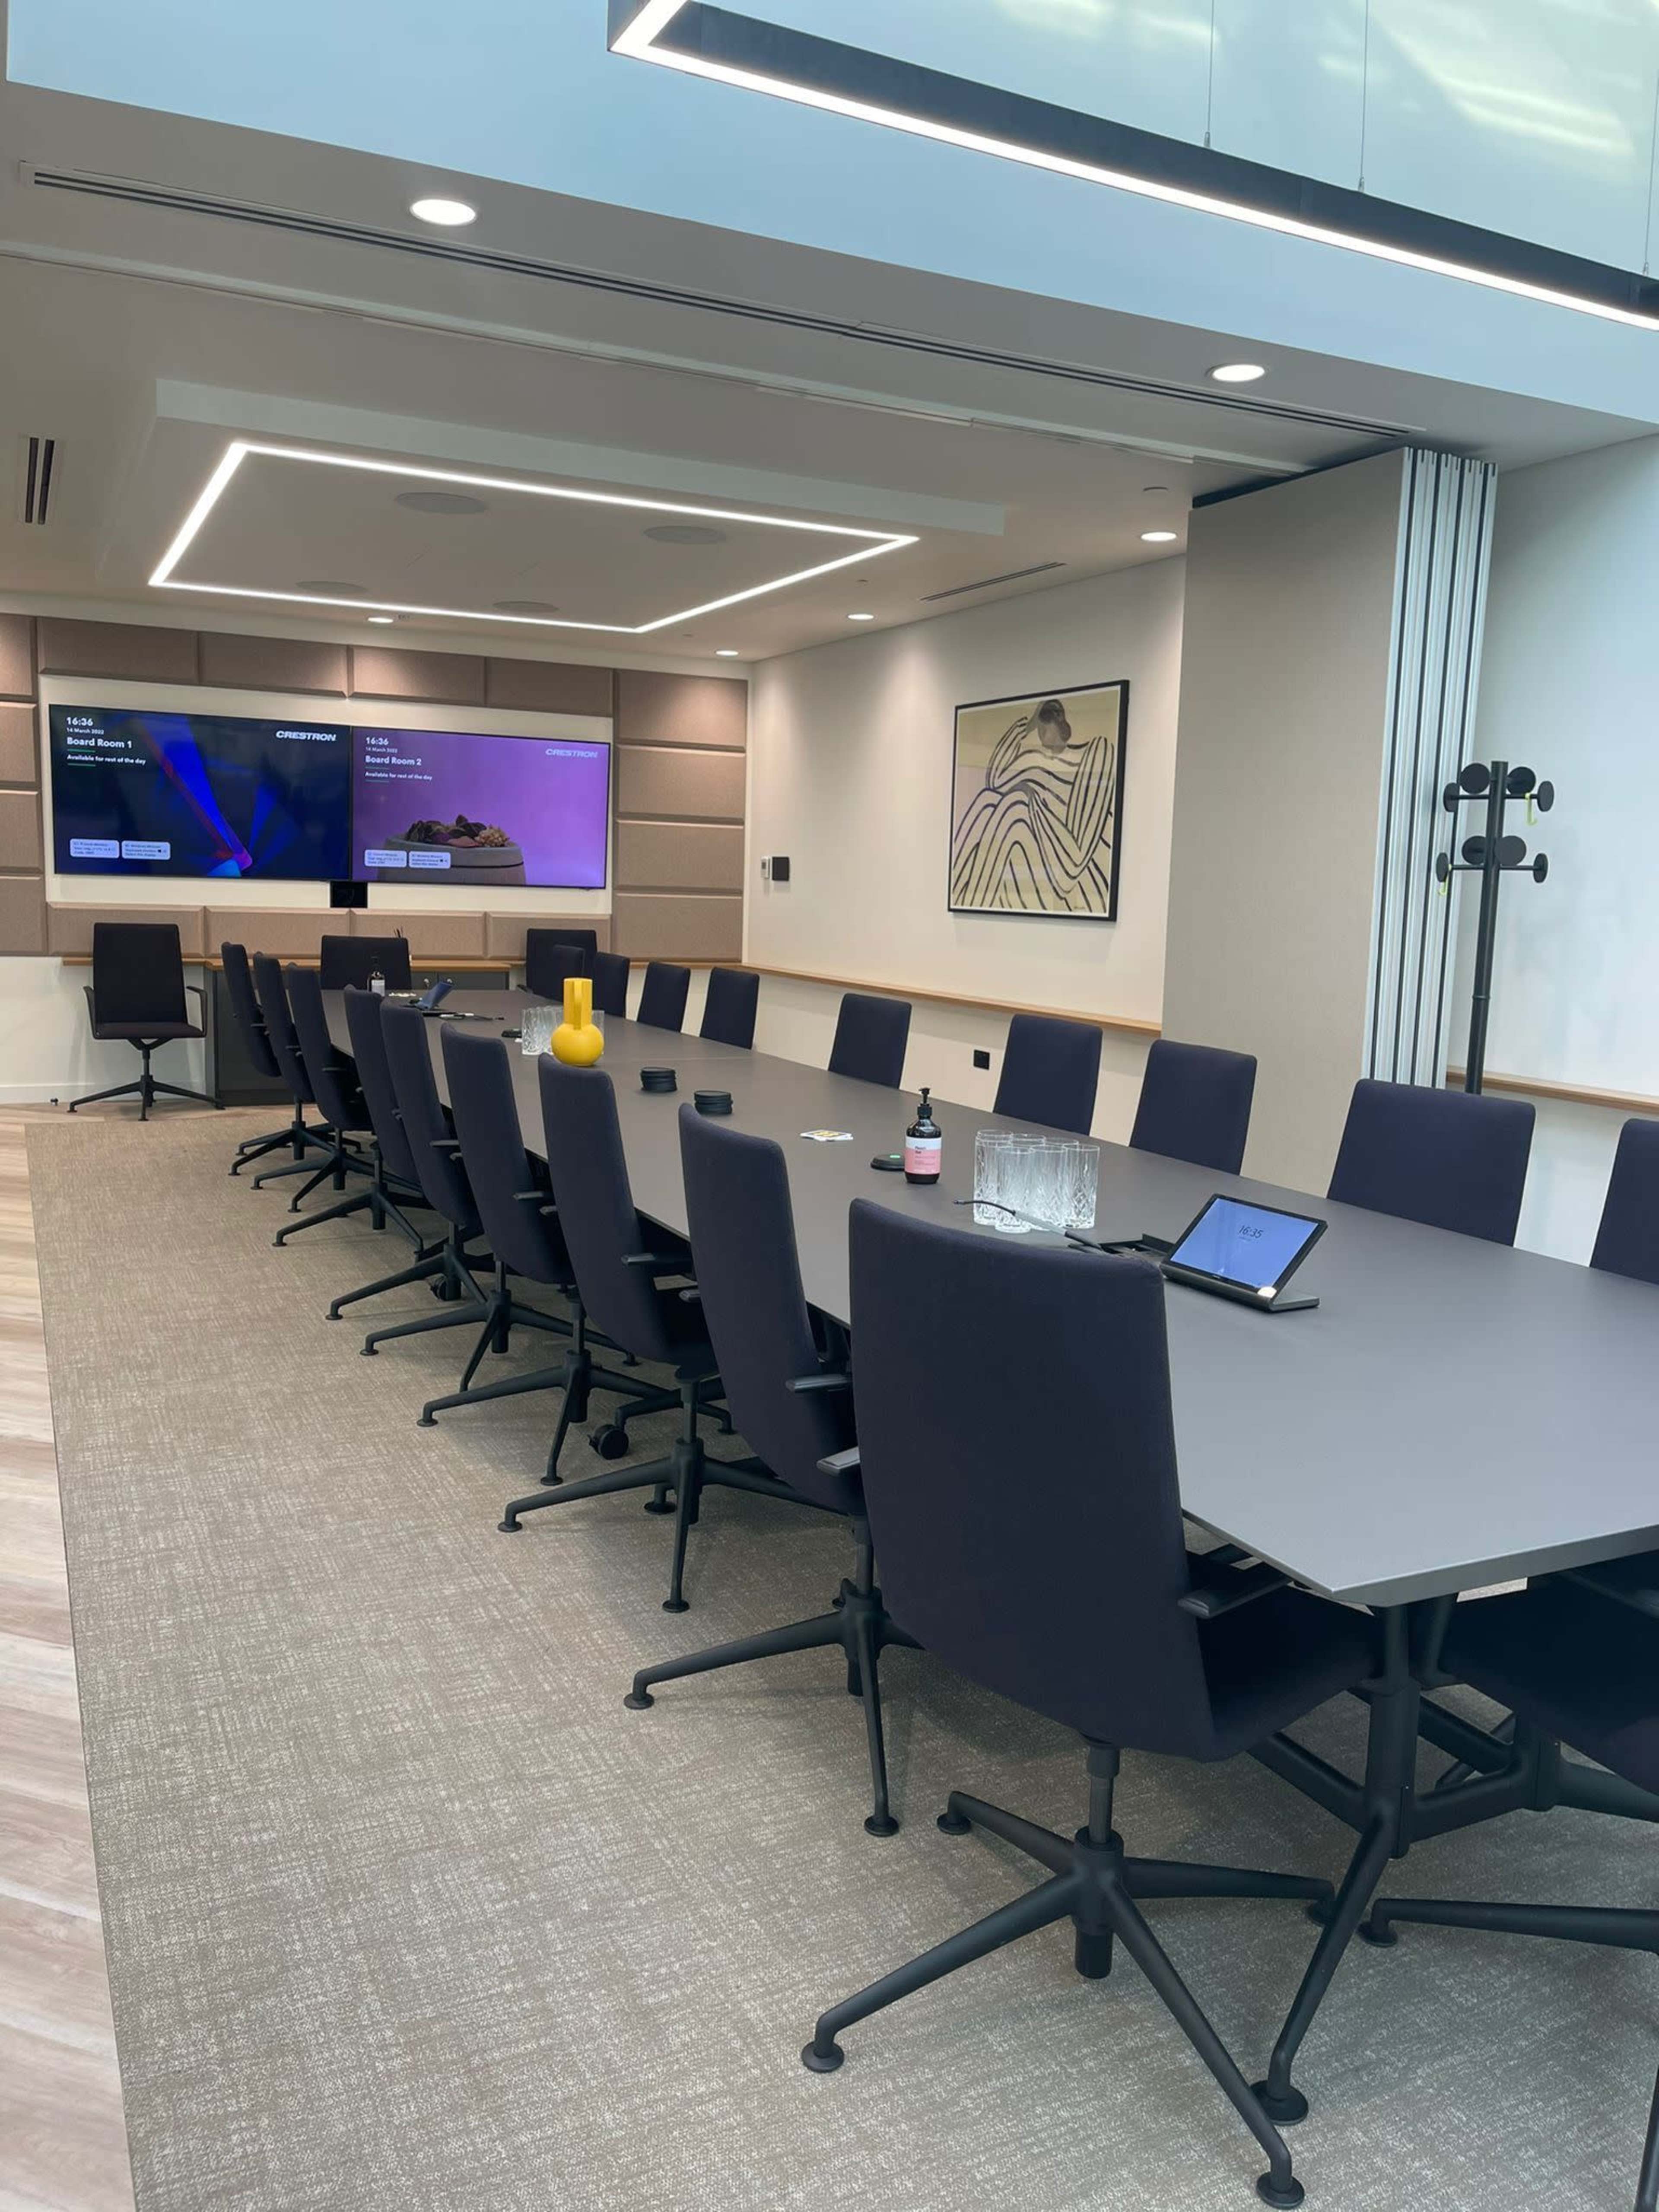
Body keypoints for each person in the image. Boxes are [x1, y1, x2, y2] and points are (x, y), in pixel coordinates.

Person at [950, 696, 1117, 913]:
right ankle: (963, 902)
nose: (1041, 736)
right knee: (988, 800)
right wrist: (1025, 727)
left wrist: (1033, 801)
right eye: (1038, 731)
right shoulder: (1036, 761)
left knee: (1016, 803)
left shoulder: (1096, 753)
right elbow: (994, 782)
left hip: (1073, 866)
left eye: (1044, 730)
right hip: (1038, 851)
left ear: (1059, 724)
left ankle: (970, 910)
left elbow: (1074, 863)